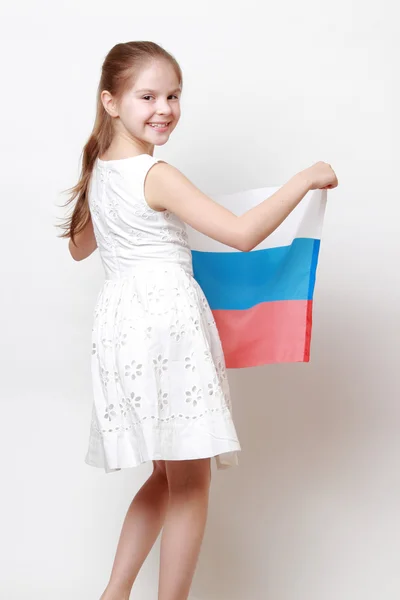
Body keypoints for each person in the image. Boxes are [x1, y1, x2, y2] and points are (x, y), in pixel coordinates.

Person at [58, 40, 338, 600]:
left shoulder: (99, 171)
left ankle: (113, 595)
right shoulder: (155, 174)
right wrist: (304, 178)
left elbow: (80, 248)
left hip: (122, 325)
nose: (164, 108)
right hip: (165, 323)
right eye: (148, 96)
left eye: (174, 95)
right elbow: (239, 235)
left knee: (166, 475)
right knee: (191, 480)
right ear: (111, 102)